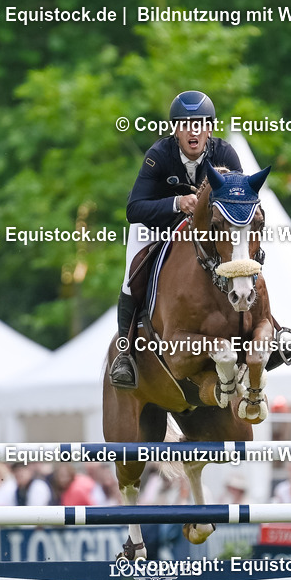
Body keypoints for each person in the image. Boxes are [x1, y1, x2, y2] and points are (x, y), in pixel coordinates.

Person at [109, 90, 242, 388]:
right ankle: (125, 354)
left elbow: (237, 204)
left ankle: (269, 330)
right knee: (132, 278)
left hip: (207, 231)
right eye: (185, 124)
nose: (193, 131)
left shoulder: (226, 155)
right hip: (158, 225)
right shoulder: (158, 156)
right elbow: (133, 209)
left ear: (210, 128)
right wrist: (176, 204)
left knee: (243, 259)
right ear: (175, 130)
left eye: (200, 124)